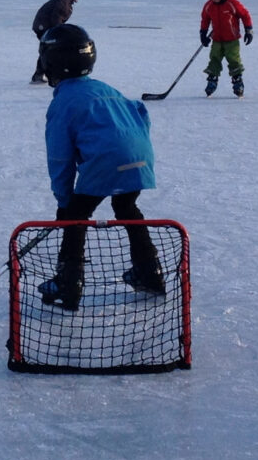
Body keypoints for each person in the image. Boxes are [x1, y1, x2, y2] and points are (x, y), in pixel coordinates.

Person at [34, 24, 163, 311]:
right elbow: (140, 113)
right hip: (140, 156)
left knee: (77, 216)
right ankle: (150, 271)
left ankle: (69, 282)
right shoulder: (106, 88)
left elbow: (60, 158)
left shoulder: (64, 102)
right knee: (127, 207)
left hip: (107, 161)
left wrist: (64, 202)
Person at [199, 0, 254, 97]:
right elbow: (205, 19)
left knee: (233, 60)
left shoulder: (232, 3)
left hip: (232, 40)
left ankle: (237, 82)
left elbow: (245, 15)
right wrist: (203, 33)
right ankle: (212, 80)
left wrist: (248, 30)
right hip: (217, 40)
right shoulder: (209, 5)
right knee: (214, 58)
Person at [29, 0, 83, 84]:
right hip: (44, 27)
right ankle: (48, 75)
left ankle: (42, 74)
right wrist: (59, 34)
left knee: (50, 49)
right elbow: (56, 19)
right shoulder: (62, 1)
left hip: (45, 26)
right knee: (52, 49)